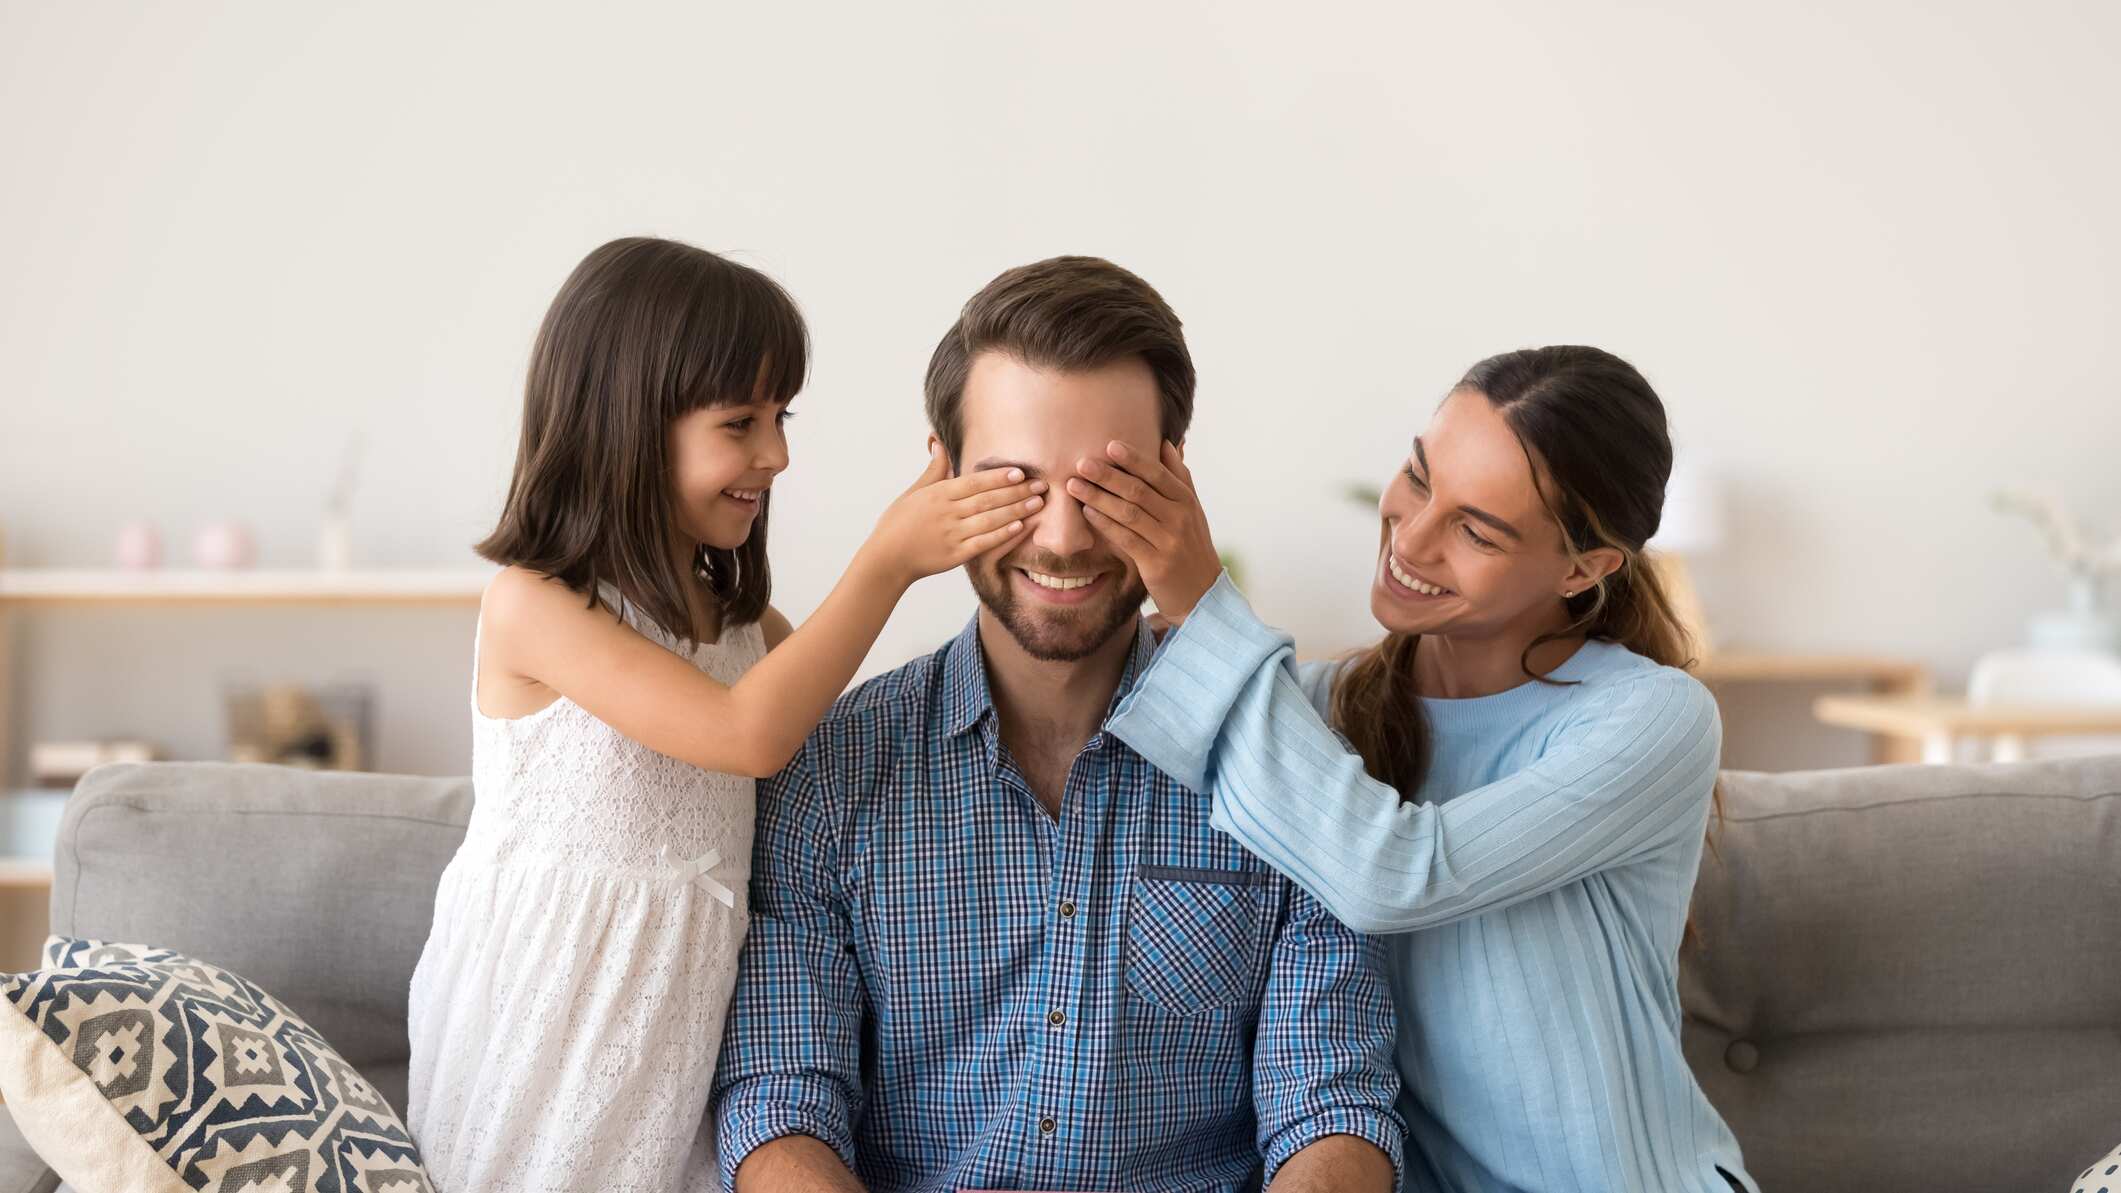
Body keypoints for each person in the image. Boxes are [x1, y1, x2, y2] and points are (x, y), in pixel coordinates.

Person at [713, 255, 1405, 1193]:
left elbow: (1333, 1109)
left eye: (1105, 487)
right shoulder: (833, 771)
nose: (1063, 538)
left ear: (1175, 476)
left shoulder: (1287, 772)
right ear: (941, 476)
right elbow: (779, 1106)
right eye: (1014, 485)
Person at [405, 236, 1044, 1191]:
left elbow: (838, 736)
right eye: (740, 422)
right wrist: (888, 561)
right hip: (549, 1028)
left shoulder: (739, 624)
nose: (776, 455)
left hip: (678, 1036)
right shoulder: (537, 605)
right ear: (626, 422)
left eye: (780, 416)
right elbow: (748, 733)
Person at [1077, 345, 1757, 1191]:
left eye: (1476, 529)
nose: (1413, 534)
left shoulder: (1646, 716)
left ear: (1584, 567)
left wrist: (1198, 599)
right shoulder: (1315, 712)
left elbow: (1393, 873)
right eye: (1418, 476)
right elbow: (1076, 719)